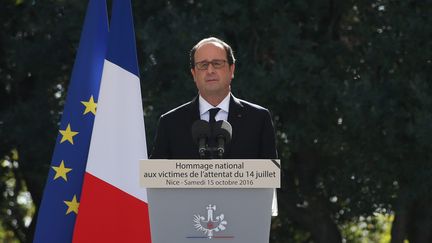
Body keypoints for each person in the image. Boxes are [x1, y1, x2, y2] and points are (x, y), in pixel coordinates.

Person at [150, 37, 277, 160]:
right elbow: (155, 178)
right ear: (194, 74)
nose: (210, 70)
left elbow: (273, 178)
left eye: (217, 63)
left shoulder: (258, 119)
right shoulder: (170, 122)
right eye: (203, 65)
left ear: (231, 69)